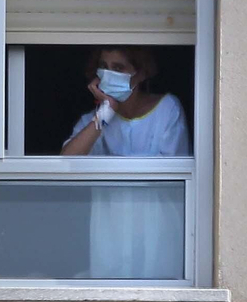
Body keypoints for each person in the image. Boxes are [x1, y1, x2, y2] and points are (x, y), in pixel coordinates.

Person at [60, 47, 189, 278]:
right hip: (111, 231)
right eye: (104, 67)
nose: (108, 74)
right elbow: (67, 161)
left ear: (141, 73)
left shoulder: (167, 109)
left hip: (156, 227)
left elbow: (169, 173)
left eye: (118, 68)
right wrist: (106, 112)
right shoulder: (95, 121)